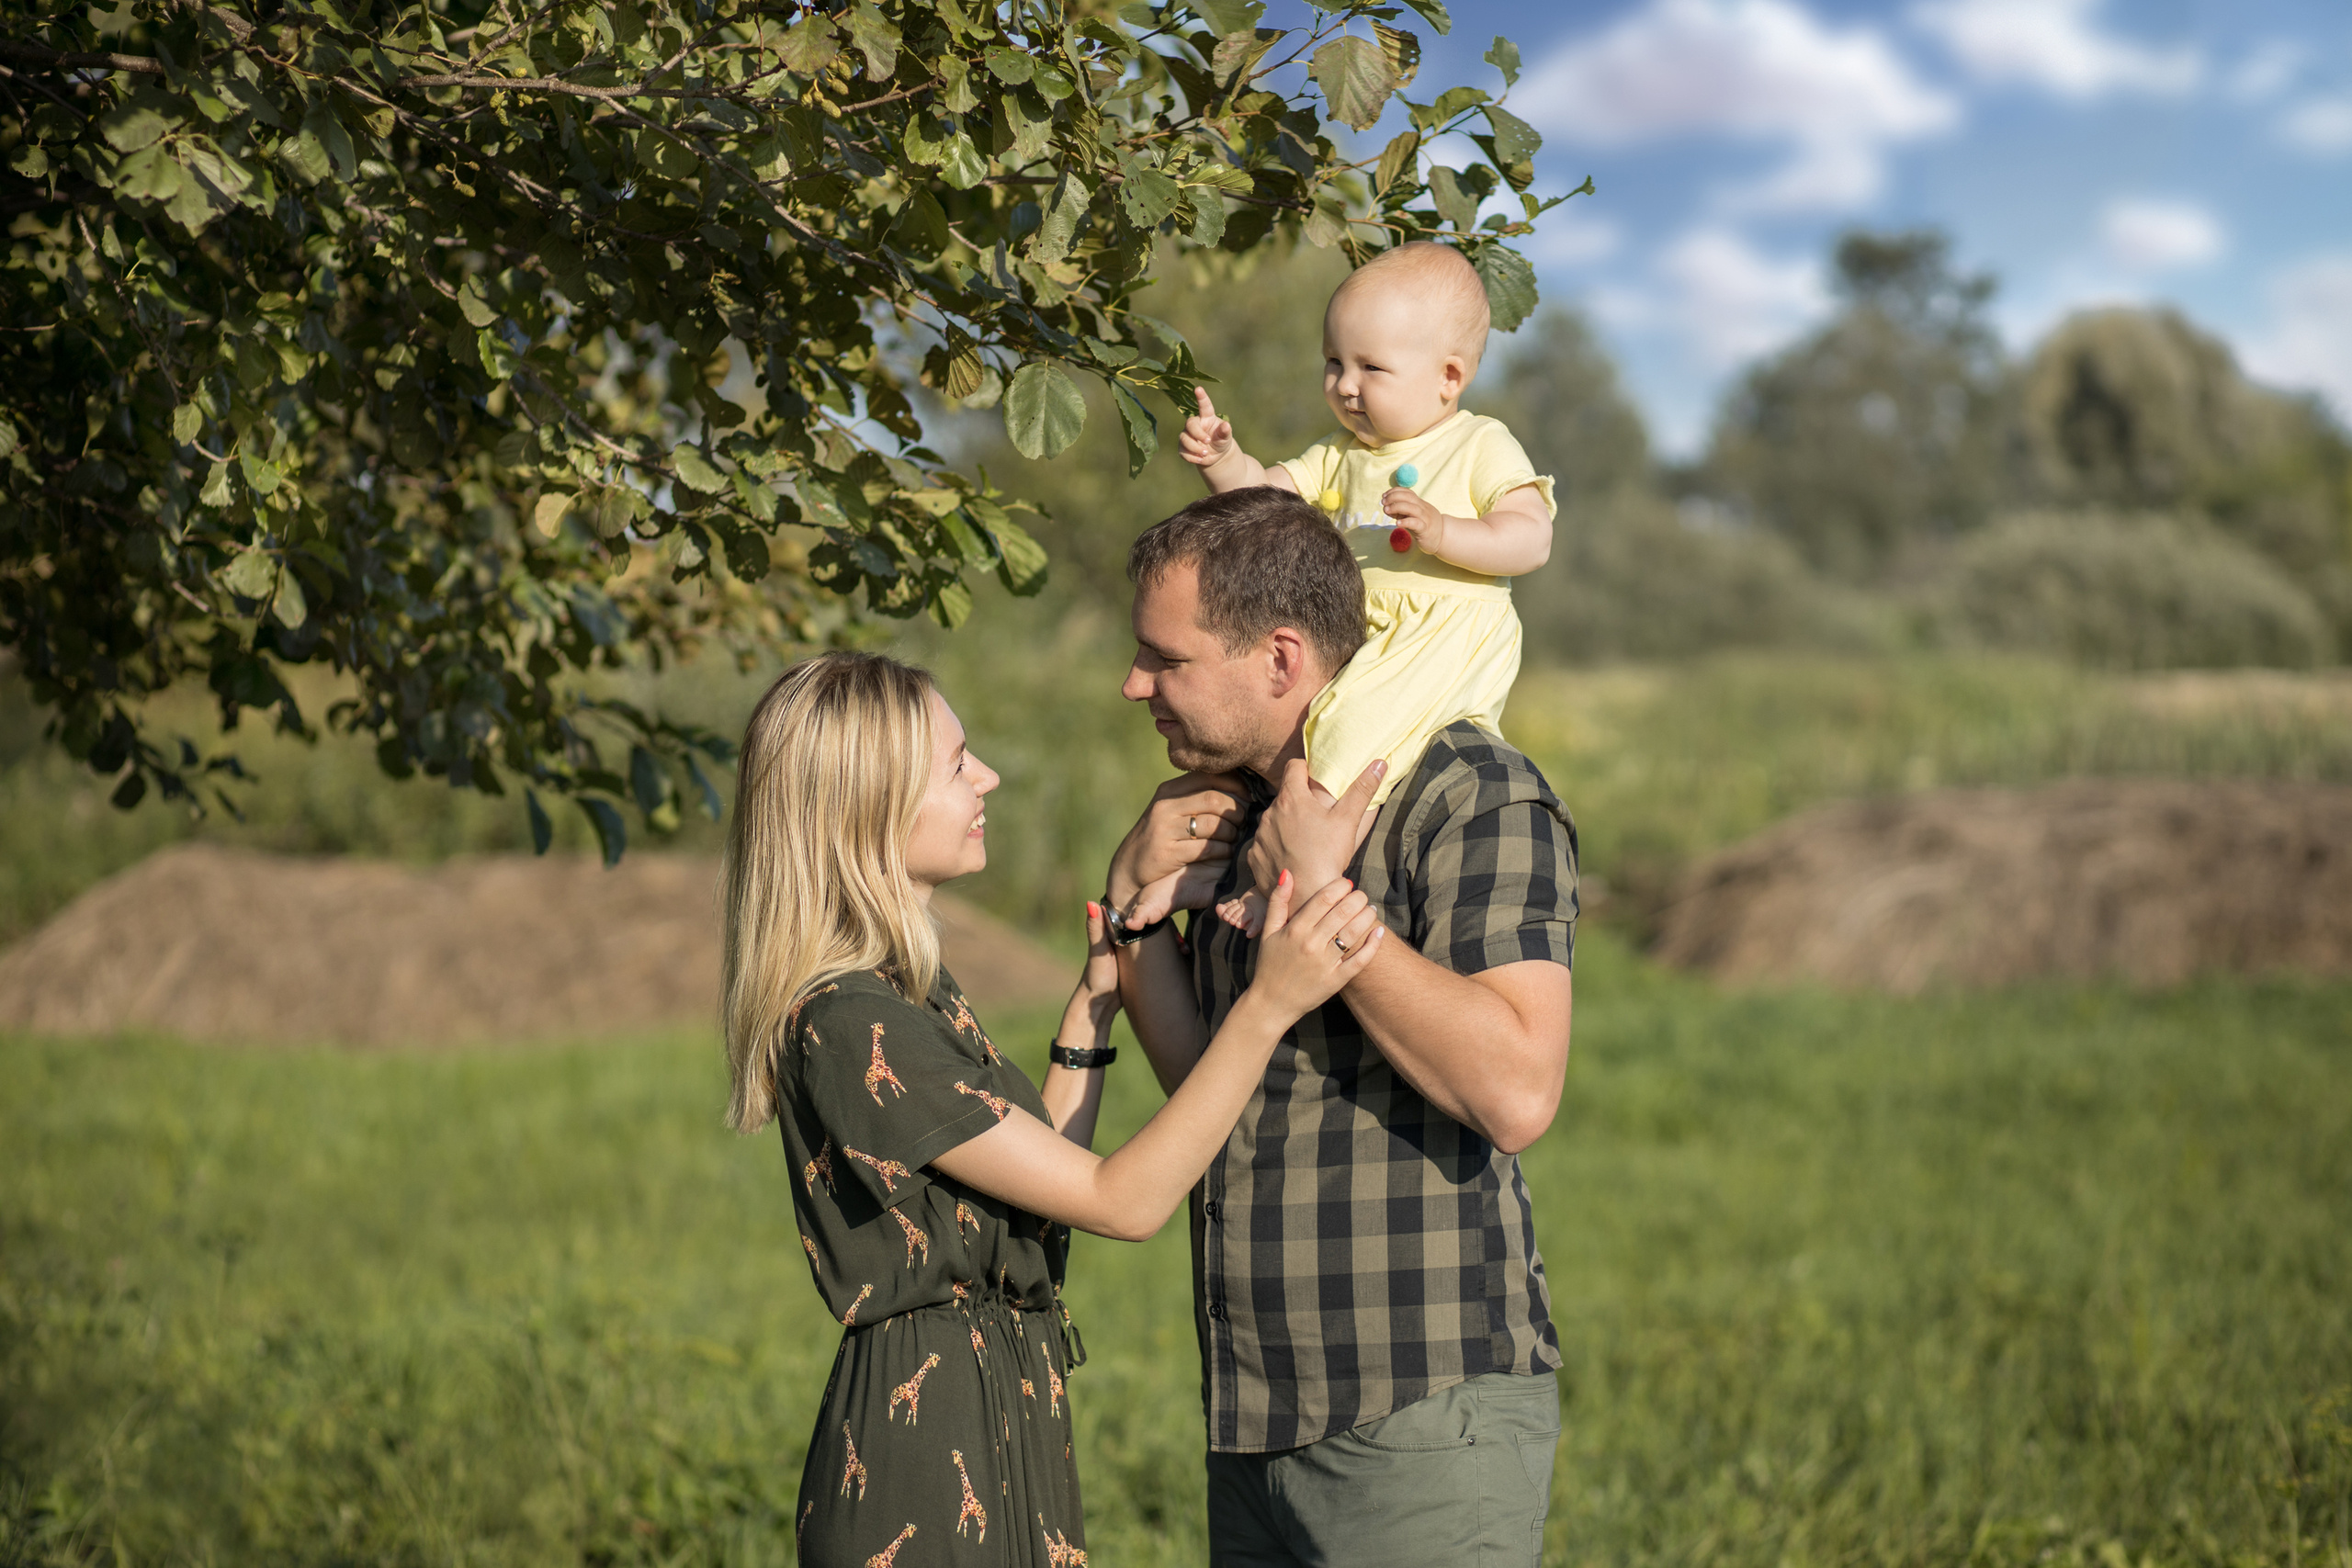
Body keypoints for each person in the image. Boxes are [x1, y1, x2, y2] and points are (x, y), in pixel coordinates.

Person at [722, 649, 1386, 1568]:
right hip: (927, 1457)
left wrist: (1089, 1014)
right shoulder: (850, 1020)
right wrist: (1269, 1004)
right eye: (957, 764)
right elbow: (1124, 1201)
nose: (988, 776)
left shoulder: (905, 994)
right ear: (870, 805)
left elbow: (1041, 1183)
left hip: (994, 1414)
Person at [1102, 489, 1578, 1566]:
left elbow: (1516, 1091)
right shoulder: (1240, 809)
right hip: (1254, 1409)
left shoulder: (1470, 792)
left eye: (1164, 659)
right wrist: (1133, 911)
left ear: (1279, 658)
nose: (1134, 683)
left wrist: (1323, 898)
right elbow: (1213, 1092)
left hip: (1415, 1407)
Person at [1176, 240, 1556, 824]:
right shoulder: (1339, 453)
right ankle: (1260, 832)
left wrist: (1445, 532)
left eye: (1371, 368)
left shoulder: (1478, 442)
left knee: (1349, 731)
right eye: (1334, 363)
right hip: (1352, 626)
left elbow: (1532, 538)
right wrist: (1224, 461)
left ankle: (1310, 848)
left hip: (1436, 632)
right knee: (1278, 726)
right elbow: (1261, 499)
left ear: (1448, 376)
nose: (1346, 385)